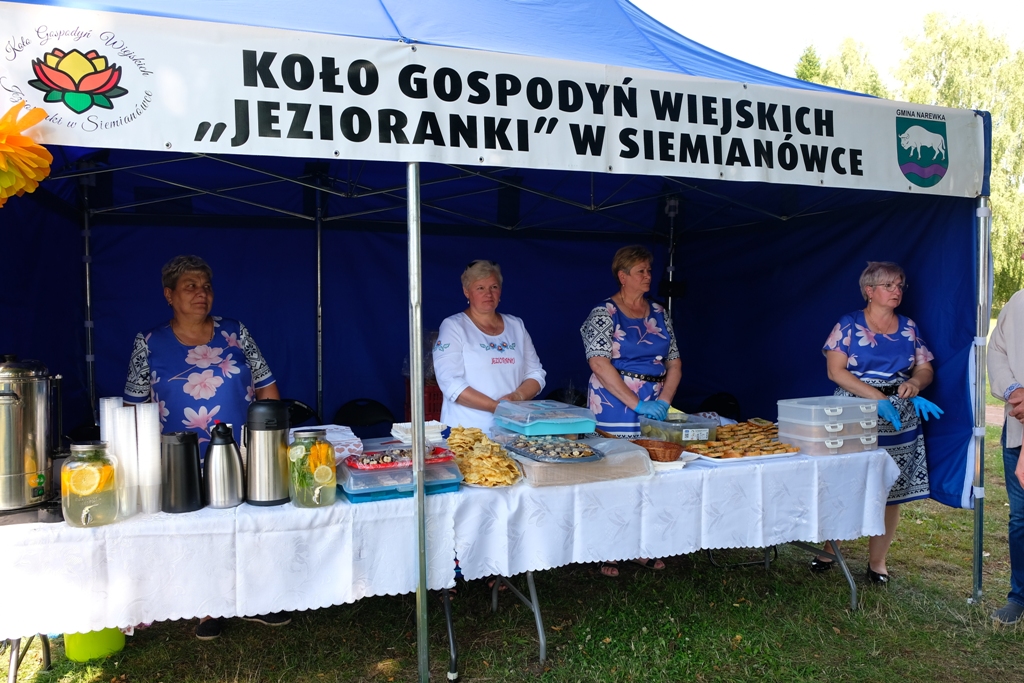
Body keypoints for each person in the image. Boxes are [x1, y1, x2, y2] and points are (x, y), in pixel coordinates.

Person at [122, 254, 289, 639]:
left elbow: (266, 386)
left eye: (207, 286)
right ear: (169, 295)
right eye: (191, 286)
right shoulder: (149, 343)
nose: (202, 293)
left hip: (243, 450)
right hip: (181, 457)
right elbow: (133, 407)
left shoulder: (235, 332)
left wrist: (272, 438)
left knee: (250, 523)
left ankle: (258, 598)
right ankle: (207, 605)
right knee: (198, 530)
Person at [819, 261, 943, 584]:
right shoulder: (848, 324)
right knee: (846, 481)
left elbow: (925, 368)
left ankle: (877, 562)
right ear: (869, 291)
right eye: (888, 285)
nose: (896, 291)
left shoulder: (909, 327)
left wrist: (915, 383)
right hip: (853, 413)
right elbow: (835, 371)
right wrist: (876, 397)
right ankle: (830, 549)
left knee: (891, 489)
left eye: (899, 285)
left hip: (898, 418)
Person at [580, 245, 680, 577]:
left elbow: (675, 362)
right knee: (614, 473)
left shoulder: (659, 311)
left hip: (654, 400)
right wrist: (636, 403)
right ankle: (607, 547)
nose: (648, 276)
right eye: (641, 271)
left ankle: (641, 545)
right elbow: (598, 363)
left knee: (651, 473)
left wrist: (664, 401)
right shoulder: (603, 313)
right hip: (613, 403)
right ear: (622, 276)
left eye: (649, 270)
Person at [433, 259, 546, 433]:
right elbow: (450, 382)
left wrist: (516, 396)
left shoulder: (516, 325)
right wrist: (495, 407)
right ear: (466, 292)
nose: (488, 294)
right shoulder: (454, 326)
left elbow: (536, 373)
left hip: (512, 429)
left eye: (494, 287)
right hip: (466, 433)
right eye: (480, 288)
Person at [986, 287, 1024, 626]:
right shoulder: (1019, 301)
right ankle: (1019, 596)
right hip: (1018, 428)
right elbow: (996, 351)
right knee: (1021, 517)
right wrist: (1015, 391)